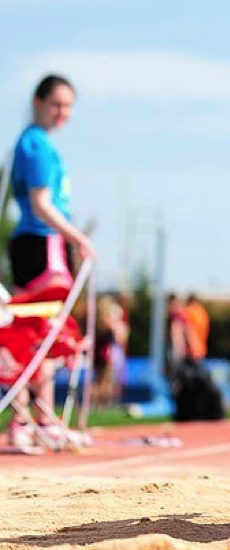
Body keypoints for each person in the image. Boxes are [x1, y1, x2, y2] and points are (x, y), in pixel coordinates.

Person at [4, 74, 96, 451]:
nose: (64, 113)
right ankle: (35, 419)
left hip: (35, 243)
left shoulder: (30, 143)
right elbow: (42, 204)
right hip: (42, 243)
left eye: (69, 105)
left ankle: (29, 419)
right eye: (57, 104)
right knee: (44, 333)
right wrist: (78, 237)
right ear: (39, 101)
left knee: (35, 330)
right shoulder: (37, 146)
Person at [182, 293, 209, 362]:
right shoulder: (203, 312)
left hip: (191, 350)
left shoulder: (188, 311)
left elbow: (189, 330)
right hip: (201, 349)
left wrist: (195, 348)